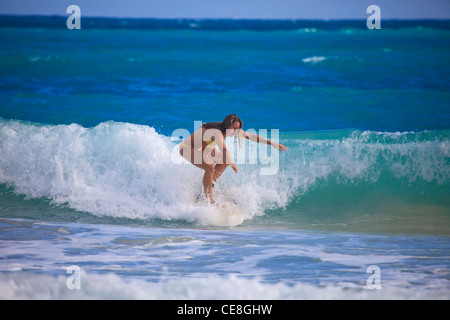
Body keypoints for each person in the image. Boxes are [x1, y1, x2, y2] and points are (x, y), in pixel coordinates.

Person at [179, 114, 287, 204]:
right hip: (187, 148)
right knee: (210, 167)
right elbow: (224, 150)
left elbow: (252, 136)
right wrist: (233, 164)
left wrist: (272, 143)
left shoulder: (230, 131)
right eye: (234, 128)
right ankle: (208, 199)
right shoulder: (217, 132)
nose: (235, 131)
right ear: (227, 125)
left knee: (224, 161)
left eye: (237, 128)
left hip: (201, 147)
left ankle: (205, 189)